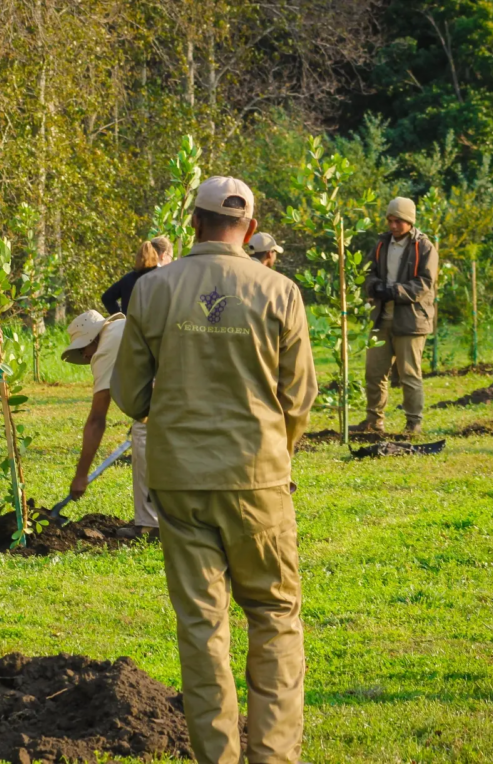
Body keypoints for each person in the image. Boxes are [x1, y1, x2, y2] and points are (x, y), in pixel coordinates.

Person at [113, 176, 317, 764]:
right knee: (275, 617)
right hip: (258, 479)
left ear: (193, 223)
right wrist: (276, 451)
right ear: (250, 230)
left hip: (178, 481)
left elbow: (129, 394)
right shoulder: (280, 291)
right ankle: (274, 756)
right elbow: (299, 401)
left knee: (202, 629)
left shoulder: (152, 290)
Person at [61, 310, 158, 539]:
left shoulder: (106, 346)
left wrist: (81, 475)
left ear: (93, 338)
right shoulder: (121, 330)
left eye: (83, 348)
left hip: (168, 401)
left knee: (144, 436)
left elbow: (97, 419)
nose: (85, 356)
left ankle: (149, 526)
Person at [356, 197, 438, 436]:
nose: (393, 226)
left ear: (409, 221)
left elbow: (425, 283)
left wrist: (394, 291)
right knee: (374, 372)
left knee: (409, 375)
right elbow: (367, 272)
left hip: (411, 321)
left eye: (398, 221)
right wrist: (373, 286)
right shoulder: (382, 244)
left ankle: (413, 423)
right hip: (382, 318)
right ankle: (373, 421)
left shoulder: (425, 247)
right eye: (390, 220)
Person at [101, 236, 171, 316]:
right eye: (171, 257)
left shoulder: (128, 278)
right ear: (164, 255)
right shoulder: (162, 279)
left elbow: (107, 297)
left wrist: (121, 318)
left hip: (128, 326)